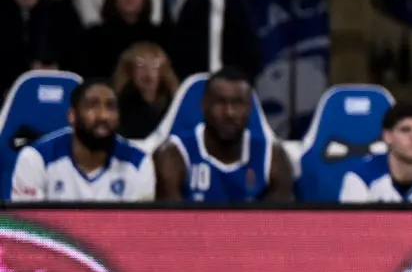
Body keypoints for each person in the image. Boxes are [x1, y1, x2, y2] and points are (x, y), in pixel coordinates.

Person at [155, 70, 294, 202]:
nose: (229, 113)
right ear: (204, 105)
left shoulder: (273, 158)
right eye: (220, 102)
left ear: (250, 108)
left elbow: (276, 224)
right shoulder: (174, 155)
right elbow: (170, 224)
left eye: (238, 103)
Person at [9, 79, 152, 202]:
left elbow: (139, 230)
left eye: (111, 107)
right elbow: (30, 229)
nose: (103, 116)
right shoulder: (36, 158)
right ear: (72, 115)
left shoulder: (138, 163)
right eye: (92, 106)